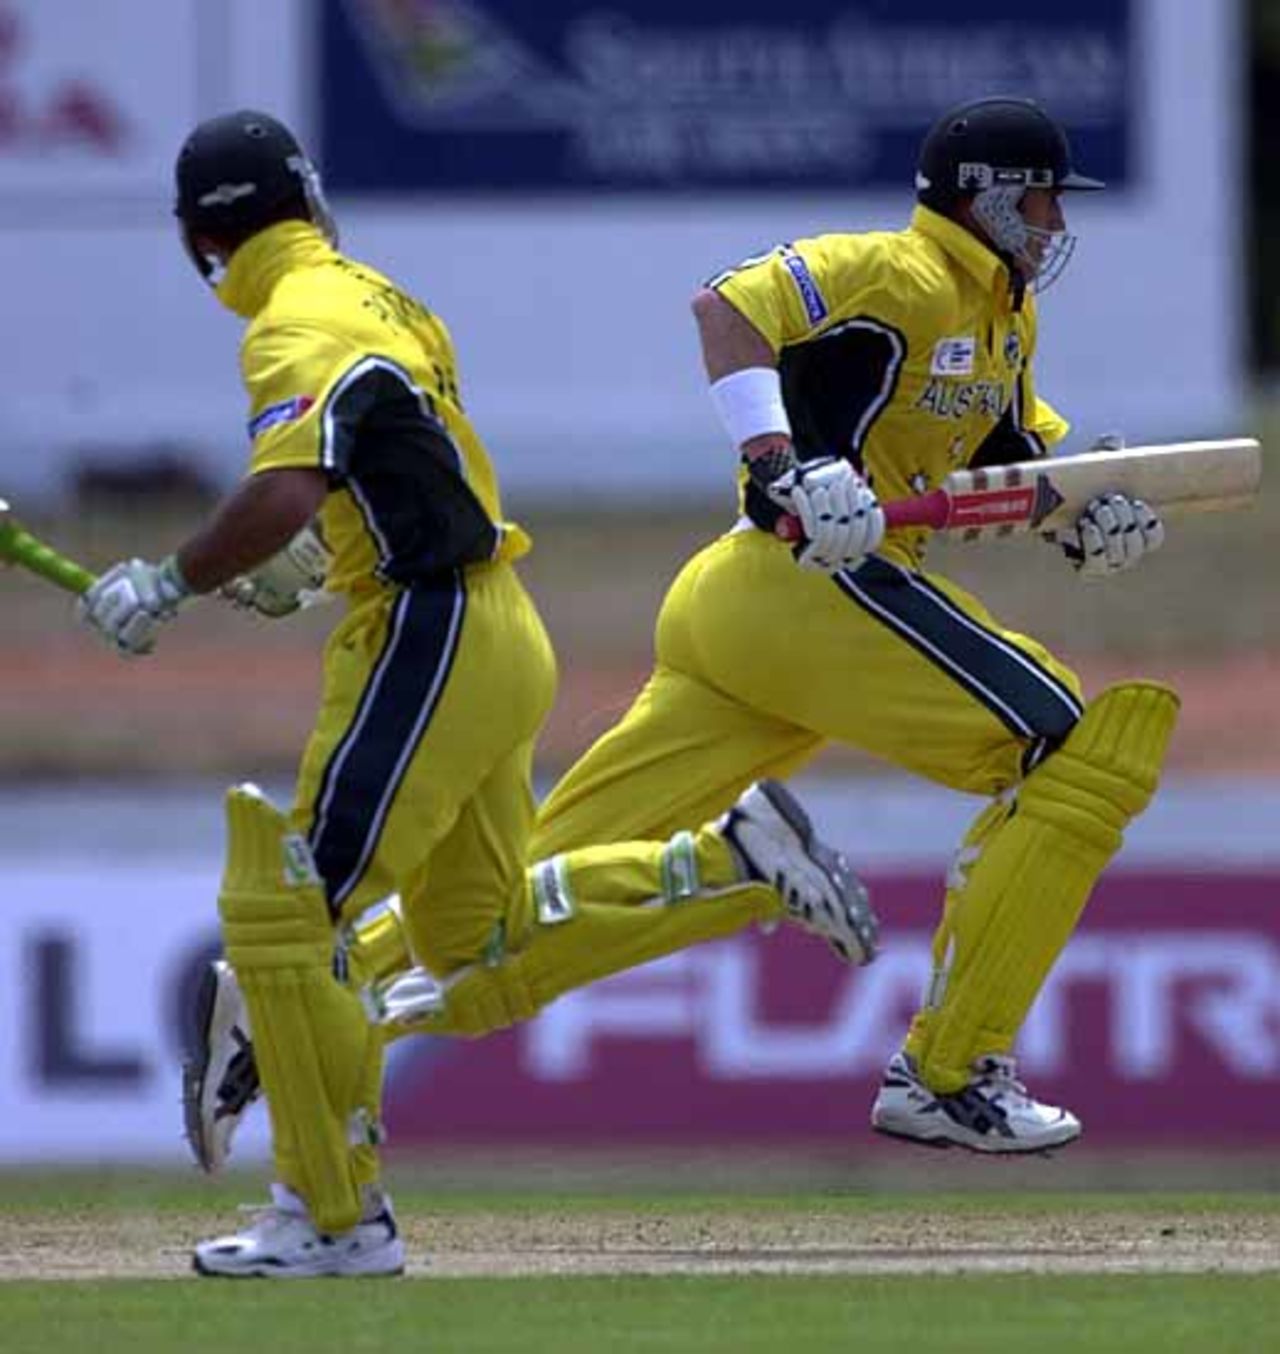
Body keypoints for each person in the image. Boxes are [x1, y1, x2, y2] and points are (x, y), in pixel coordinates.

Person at [179, 95, 1181, 1174]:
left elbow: (1010, 455)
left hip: (757, 620)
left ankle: (292, 1001)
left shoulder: (1001, 314)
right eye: (1037, 198)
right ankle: (950, 1070)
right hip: (806, 583)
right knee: (1073, 746)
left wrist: (1086, 512)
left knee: (529, 889)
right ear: (983, 195)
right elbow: (725, 308)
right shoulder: (890, 272)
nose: (1053, 223)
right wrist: (779, 460)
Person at [78, 110, 878, 1279]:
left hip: (427, 626)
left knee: (294, 914)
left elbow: (289, 484)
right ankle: (723, 866)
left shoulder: (288, 324)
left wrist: (172, 579)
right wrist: (306, 568)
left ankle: (332, 1217)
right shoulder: (379, 297)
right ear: (307, 202)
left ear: (204, 238)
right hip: (497, 627)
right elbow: (400, 464)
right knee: (478, 939)